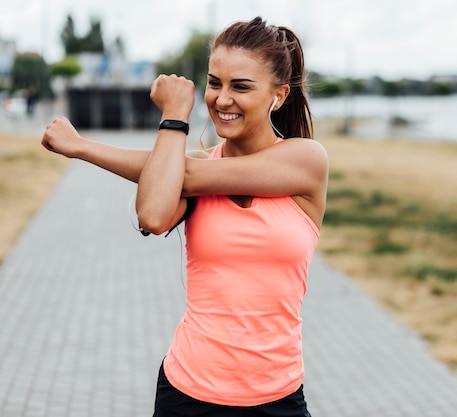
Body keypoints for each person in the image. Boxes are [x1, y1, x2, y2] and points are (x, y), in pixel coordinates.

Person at [41, 16, 328, 417]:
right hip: (188, 394)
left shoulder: (306, 160)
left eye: (241, 86)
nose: (221, 99)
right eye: (214, 83)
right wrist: (165, 134)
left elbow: (188, 174)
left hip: (278, 398)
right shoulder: (181, 169)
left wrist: (89, 145)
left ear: (278, 96)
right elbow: (153, 215)